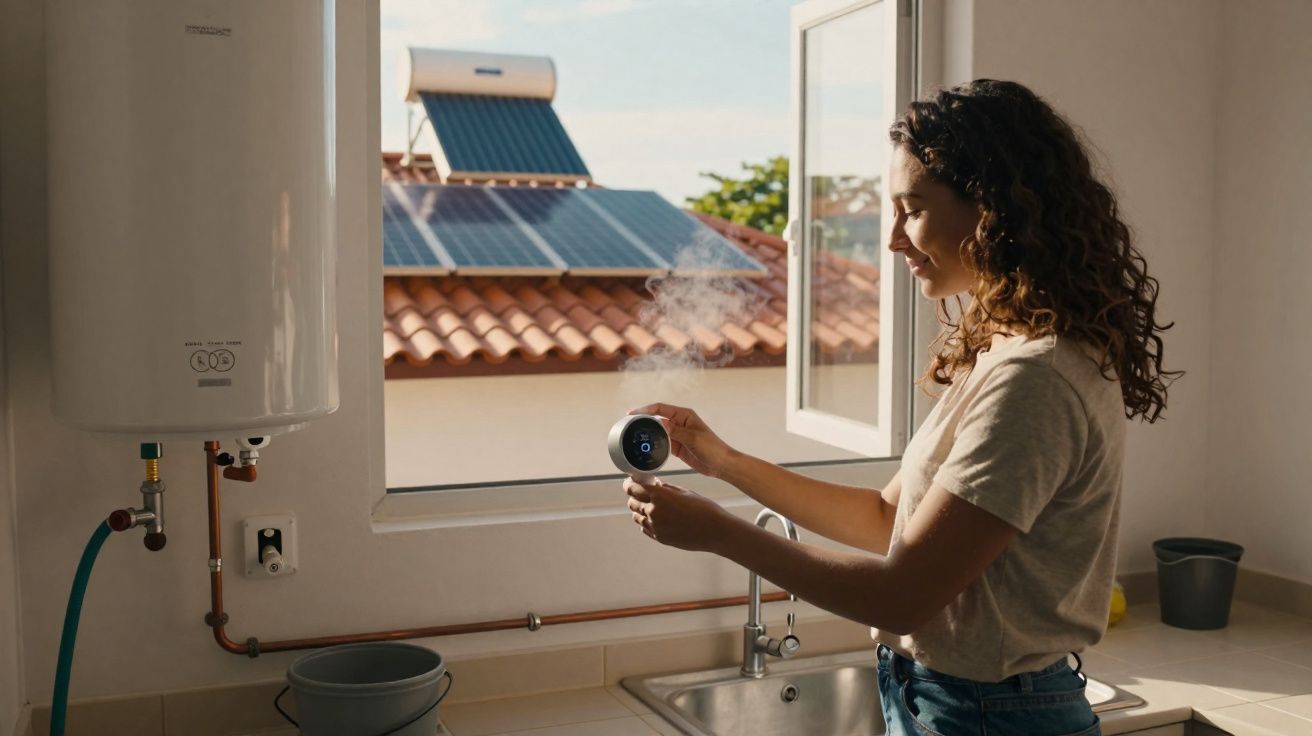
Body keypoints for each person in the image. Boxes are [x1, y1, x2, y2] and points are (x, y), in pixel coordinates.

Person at [621, 79, 1179, 736]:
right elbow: (887, 520)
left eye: (911, 208)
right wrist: (725, 463)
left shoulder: (1038, 378)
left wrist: (719, 533)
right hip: (958, 705)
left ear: (993, 208)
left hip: (992, 717)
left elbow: (903, 595)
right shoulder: (1006, 355)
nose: (893, 239)